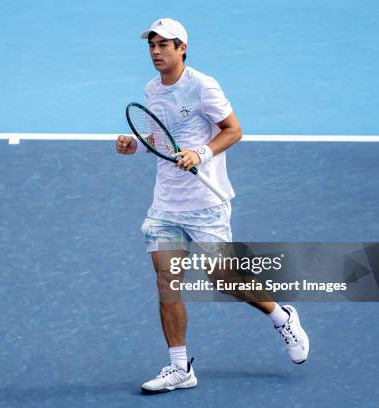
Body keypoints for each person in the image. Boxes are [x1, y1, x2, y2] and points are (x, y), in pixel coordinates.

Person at [116, 18, 309, 394]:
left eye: (164, 45)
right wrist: (134, 145)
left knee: (223, 278)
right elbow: (158, 137)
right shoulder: (151, 90)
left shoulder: (203, 86)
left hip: (206, 203)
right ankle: (179, 368)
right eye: (151, 45)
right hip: (166, 205)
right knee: (167, 283)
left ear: (182, 48)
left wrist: (200, 153)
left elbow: (233, 130)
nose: (156, 51)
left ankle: (280, 315)